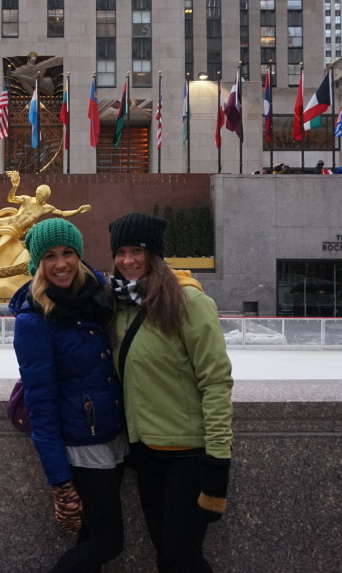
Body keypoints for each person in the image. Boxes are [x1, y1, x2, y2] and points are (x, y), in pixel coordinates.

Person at [107, 212, 233, 573]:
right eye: (120, 252)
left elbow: (216, 382)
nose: (128, 260)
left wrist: (218, 459)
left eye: (137, 251)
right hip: (146, 455)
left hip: (189, 456)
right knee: (165, 554)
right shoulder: (119, 304)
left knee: (182, 557)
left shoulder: (190, 303)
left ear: (155, 254)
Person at [9, 218, 126, 573]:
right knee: (109, 541)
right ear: (37, 265)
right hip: (82, 444)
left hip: (115, 434)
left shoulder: (100, 294)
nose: (61, 264)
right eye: (49, 257)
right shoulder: (34, 320)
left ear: (79, 255)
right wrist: (60, 481)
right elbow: (41, 403)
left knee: (91, 537)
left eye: (68, 253)